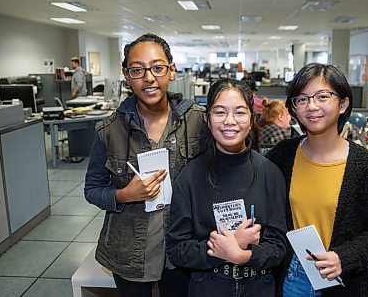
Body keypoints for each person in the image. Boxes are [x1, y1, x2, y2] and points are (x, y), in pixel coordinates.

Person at [84, 33, 208, 297]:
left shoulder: (199, 122)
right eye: (138, 70)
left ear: (171, 71)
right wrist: (123, 195)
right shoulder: (109, 130)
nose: (149, 78)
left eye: (157, 68)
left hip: (184, 248)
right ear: (127, 76)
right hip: (130, 250)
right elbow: (92, 189)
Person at [266, 63, 368, 297]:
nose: (312, 106)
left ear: (343, 103)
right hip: (292, 277)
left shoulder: (367, 167)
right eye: (302, 99)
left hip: (341, 279)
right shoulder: (282, 155)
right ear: (294, 108)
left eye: (322, 96)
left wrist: (344, 258)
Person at [166, 78, 288, 297]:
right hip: (208, 285)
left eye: (240, 112)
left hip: (259, 285)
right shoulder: (189, 177)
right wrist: (226, 248)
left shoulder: (270, 174)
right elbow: (177, 249)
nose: (230, 121)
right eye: (220, 112)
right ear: (208, 119)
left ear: (252, 120)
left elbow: (279, 246)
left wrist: (244, 255)